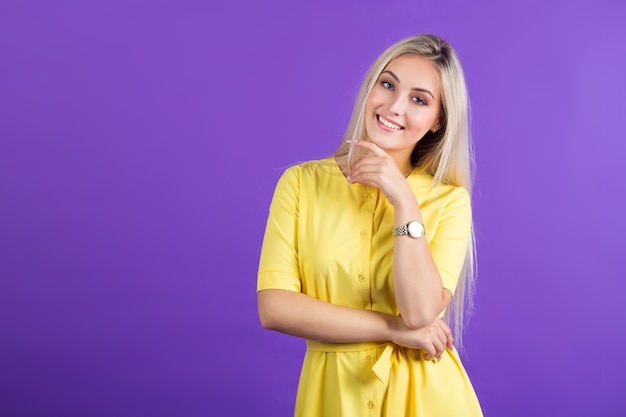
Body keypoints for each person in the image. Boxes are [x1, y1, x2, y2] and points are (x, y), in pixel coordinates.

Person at [257, 34, 483, 417]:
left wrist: (404, 201)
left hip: (428, 400)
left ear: (437, 121)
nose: (394, 106)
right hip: (332, 399)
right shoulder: (300, 184)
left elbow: (419, 313)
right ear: (371, 87)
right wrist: (391, 329)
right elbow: (274, 308)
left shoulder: (449, 201)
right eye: (388, 84)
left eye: (419, 99)